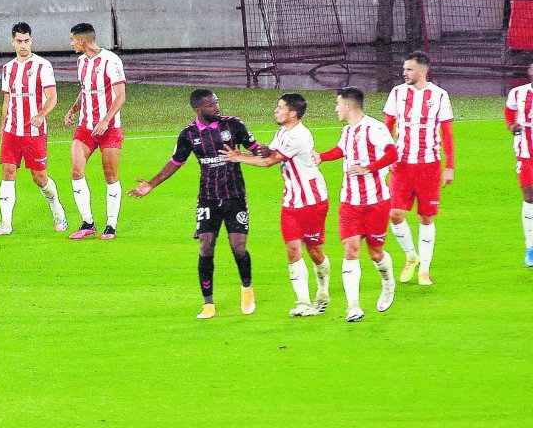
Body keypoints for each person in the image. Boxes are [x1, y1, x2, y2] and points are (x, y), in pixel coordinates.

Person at [130, 89, 262, 319]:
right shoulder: (189, 134)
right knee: (206, 246)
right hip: (208, 198)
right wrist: (151, 184)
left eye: (217, 103)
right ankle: (208, 303)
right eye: (211, 105)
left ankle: (246, 288)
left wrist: (276, 151)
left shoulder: (233, 125)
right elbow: (175, 162)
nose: (217, 107)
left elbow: (258, 151)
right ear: (198, 109)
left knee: (238, 246)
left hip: (235, 196)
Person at [221, 94, 333, 317]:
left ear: (292, 113)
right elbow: (268, 152)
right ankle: (302, 302)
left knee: (315, 251)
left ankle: (322, 291)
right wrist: (255, 148)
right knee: (293, 251)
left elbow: (269, 161)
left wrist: (239, 157)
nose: (275, 111)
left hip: (312, 201)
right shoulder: (283, 132)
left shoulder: (299, 136)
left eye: (280, 108)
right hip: (291, 201)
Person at [316, 88, 399, 322]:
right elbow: (341, 150)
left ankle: (388, 282)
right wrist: (321, 156)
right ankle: (353, 307)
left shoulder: (375, 128)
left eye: (337, 104)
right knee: (351, 250)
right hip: (349, 203)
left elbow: (392, 154)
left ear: (349, 106)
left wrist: (368, 168)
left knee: (375, 252)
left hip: (376, 202)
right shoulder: (347, 131)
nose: (335, 108)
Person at [383, 51, 454, 285]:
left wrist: (449, 166)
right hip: (401, 165)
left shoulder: (440, 96)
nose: (404, 73)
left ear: (422, 72)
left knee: (426, 217)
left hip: (429, 166)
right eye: (404, 69)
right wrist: (387, 156)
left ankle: (424, 268)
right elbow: (387, 128)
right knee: (395, 214)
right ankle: (410, 256)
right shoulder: (397, 93)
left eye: (409, 69)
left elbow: (447, 134)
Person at [0, 22, 67, 235]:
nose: (23, 45)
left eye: (26, 41)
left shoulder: (43, 66)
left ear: (31, 40)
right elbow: (7, 101)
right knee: (7, 171)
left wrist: (41, 115)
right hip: (12, 131)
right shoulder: (8, 68)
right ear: (12, 41)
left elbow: (52, 97)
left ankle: (57, 208)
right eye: (18, 41)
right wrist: (2, 128)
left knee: (39, 178)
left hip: (34, 133)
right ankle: (5, 224)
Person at [63, 22, 127, 240]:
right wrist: (73, 109)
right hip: (85, 128)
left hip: (109, 129)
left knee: (110, 175)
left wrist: (105, 120)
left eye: (72, 40)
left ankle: (111, 225)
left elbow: (120, 96)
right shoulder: (81, 62)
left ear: (82, 41)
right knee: (76, 170)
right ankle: (87, 222)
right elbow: (85, 90)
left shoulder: (111, 61)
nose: (71, 44)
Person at [503, 63, 533, 266]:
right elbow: (509, 112)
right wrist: (512, 125)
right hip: (525, 153)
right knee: (529, 196)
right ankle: (530, 247)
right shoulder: (518, 93)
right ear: (530, 71)